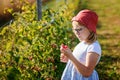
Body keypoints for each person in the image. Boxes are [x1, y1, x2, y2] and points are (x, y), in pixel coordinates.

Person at [60, 9, 102, 80]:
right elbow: (80, 61)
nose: (77, 32)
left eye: (79, 29)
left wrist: (71, 57)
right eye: (75, 30)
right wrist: (68, 59)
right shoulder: (82, 43)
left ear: (90, 29)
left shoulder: (93, 47)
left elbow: (87, 73)